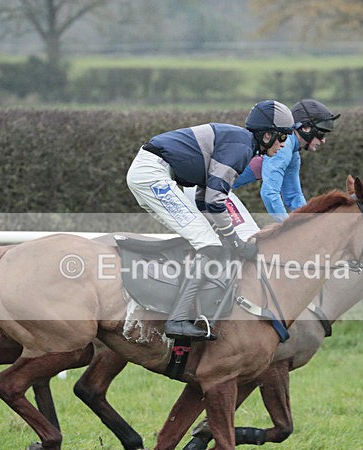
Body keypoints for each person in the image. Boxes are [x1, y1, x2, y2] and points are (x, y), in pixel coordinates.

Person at [126, 100, 296, 339]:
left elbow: (204, 197)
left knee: (206, 239)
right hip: (154, 175)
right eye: (282, 137)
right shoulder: (242, 148)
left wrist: (225, 235)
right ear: (267, 135)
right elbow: (216, 200)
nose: (283, 144)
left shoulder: (240, 143)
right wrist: (235, 240)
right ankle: (177, 319)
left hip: (153, 173)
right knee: (209, 243)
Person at [233, 99, 340, 223]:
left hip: (218, 189)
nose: (323, 141)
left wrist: (312, 222)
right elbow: (269, 193)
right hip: (213, 189)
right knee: (248, 232)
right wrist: (286, 227)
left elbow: (293, 196)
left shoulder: (293, 153)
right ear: (305, 128)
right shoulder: (284, 147)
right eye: (321, 134)